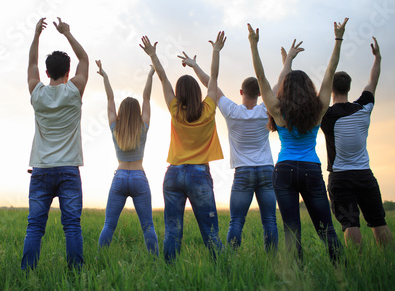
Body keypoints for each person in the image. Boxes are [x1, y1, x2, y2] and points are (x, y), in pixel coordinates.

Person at [247, 19, 348, 262]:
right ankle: (342, 270)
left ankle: (298, 279)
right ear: (308, 87)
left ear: (285, 88)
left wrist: (253, 45)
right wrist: (338, 40)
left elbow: (260, 77)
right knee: (327, 229)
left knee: (291, 231)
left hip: (284, 171)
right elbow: (330, 72)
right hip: (311, 170)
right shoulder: (319, 108)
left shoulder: (278, 110)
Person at [178, 52, 277, 253]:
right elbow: (277, 85)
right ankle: (273, 259)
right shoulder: (265, 109)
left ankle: (231, 258)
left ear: (241, 91)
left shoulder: (231, 110)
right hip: (266, 170)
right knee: (270, 221)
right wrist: (287, 63)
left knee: (236, 221)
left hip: (243, 173)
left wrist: (195, 66)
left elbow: (211, 85)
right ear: (260, 94)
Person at [140, 32, 225, 262]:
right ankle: (223, 270)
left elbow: (163, 78)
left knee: (172, 231)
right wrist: (215, 51)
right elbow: (214, 78)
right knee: (210, 232)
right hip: (199, 175)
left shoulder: (175, 109)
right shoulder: (208, 110)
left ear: (179, 94)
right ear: (198, 93)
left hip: (174, 174)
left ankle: (169, 273)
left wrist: (153, 55)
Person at [21, 17, 89, 271]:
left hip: (40, 170)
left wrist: (36, 36)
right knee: (72, 225)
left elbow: (31, 64)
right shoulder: (74, 91)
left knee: (35, 226)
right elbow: (85, 60)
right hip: (69, 169)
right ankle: (76, 275)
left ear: (47, 73)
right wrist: (68, 34)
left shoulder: (37, 93)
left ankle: (27, 274)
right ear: (68, 72)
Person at [321, 37, 393, 247]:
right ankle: (388, 261)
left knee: (350, 224)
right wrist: (378, 58)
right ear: (350, 88)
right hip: (364, 175)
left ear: (331, 89)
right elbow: (373, 81)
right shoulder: (364, 108)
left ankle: (358, 265)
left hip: (341, 177)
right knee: (379, 221)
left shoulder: (326, 115)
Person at [96, 60, 159, 255]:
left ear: (122, 113)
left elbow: (110, 99)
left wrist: (105, 77)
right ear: (138, 112)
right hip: (139, 178)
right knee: (147, 225)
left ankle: (100, 259)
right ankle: (156, 262)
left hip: (120, 177)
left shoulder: (115, 127)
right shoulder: (143, 127)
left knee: (109, 225)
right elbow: (147, 98)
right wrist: (149, 76)